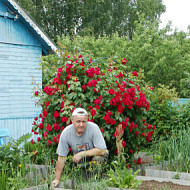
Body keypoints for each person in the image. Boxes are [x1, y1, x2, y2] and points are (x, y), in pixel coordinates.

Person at [52, 107, 108, 187]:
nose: (81, 125)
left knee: (97, 160)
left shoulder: (93, 128)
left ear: (87, 120)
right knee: (82, 182)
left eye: (83, 122)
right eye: (78, 121)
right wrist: (57, 179)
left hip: (96, 156)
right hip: (81, 161)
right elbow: (61, 157)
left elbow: (102, 150)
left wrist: (82, 154)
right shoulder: (66, 133)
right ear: (72, 120)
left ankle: (98, 182)